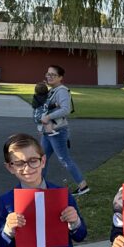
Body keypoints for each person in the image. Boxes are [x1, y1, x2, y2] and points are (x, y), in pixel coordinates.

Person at [36, 65, 89, 196]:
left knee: (64, 159)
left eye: (53, 75)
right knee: (42, 159)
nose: (49, 76)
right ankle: (38, 186)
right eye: (48, 74)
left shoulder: (62, 91)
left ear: (60, 78)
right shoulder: (52, 90)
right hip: (48, 132)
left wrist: (48, 117)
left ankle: (83, 185)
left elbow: (65, 109)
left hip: (58, 132)